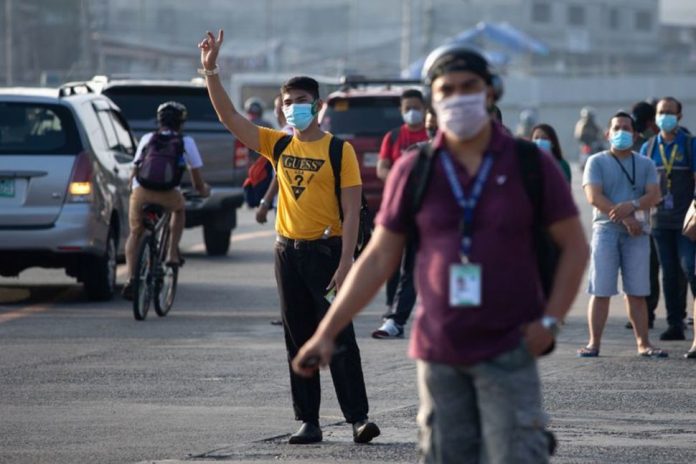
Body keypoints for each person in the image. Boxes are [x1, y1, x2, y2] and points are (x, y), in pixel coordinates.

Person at [292, 44, 588, 463]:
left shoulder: (528, 164)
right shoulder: (417, 169)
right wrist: (326, 333)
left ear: (491, 93)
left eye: (470, 86)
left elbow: (575, 246)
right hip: (439, 353)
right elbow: (378, 259)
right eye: (447, 89)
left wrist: (550, 321)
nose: (459, 96)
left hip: (510, 345)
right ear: (434, 98)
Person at [198, 30, 380, 445]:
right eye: (287, 103)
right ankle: (308, 421)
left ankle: (358, 419)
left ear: (316, 106)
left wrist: (347, 260)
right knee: (298, 337)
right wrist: (210, 69)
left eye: (300, 102)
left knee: (338, 335)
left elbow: (352, 209)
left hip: (329, 252)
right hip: (288, 254)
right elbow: (230, 118)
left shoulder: (339, 151)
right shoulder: (276, 145)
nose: (293, 109)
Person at [579, 111, 665, 358]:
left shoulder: (646, 163)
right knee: (601, 290)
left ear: (635, 134)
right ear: (607, 134)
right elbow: (594, 197)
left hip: (638, 233)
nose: (621, 132)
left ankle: (643, 343)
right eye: (617, 128)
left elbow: (654, 195)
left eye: (626, 128)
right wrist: (626, 216)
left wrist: (633, 204)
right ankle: (594, 343)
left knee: (637, 291)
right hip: (606, 231)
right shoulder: (596, 161)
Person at [122, 101, 210, 299]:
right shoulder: (186, 142)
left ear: (159, 121)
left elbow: (134, 171)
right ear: (181, 123)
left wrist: (134, 191)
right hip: (168, 193)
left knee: (135, 233)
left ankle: (130, 278)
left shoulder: (147, 138)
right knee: (179, 210)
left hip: (141, 191)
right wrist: (204, 191)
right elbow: (197, 182)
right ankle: (171, 254)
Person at [372, 89, 429, 339]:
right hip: (404, 210)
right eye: (408, 107)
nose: (412, 112)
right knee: (403, 263)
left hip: (434, 216)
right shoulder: (394, 136)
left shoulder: (437, 140)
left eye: (417, 106)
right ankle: (394, 316)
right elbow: (382, 167)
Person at [641, 97, 696, 341]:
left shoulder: (690, 145)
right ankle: (675, 323)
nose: (665, 116)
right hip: (659, 222)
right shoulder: (649, 148)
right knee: (669, 274)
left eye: (670, 112)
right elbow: (641, 186)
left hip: (686, 222)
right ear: (655, 118)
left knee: (689, 268)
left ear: (679, 116)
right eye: (662, 112)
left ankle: (691, 319)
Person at [624, 100, 667, 329]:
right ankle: (646, 313)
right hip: (646, 212)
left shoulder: (684, 141)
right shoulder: (642, 144)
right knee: (647, 264)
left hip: (673, 215)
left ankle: (676, 318)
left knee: (674, 269)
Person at [255, 95, 292, 225]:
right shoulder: (304, 133)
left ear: (279, 111)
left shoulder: (285, 136)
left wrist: (265, 203)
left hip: (285, 203)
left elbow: (280, 174)